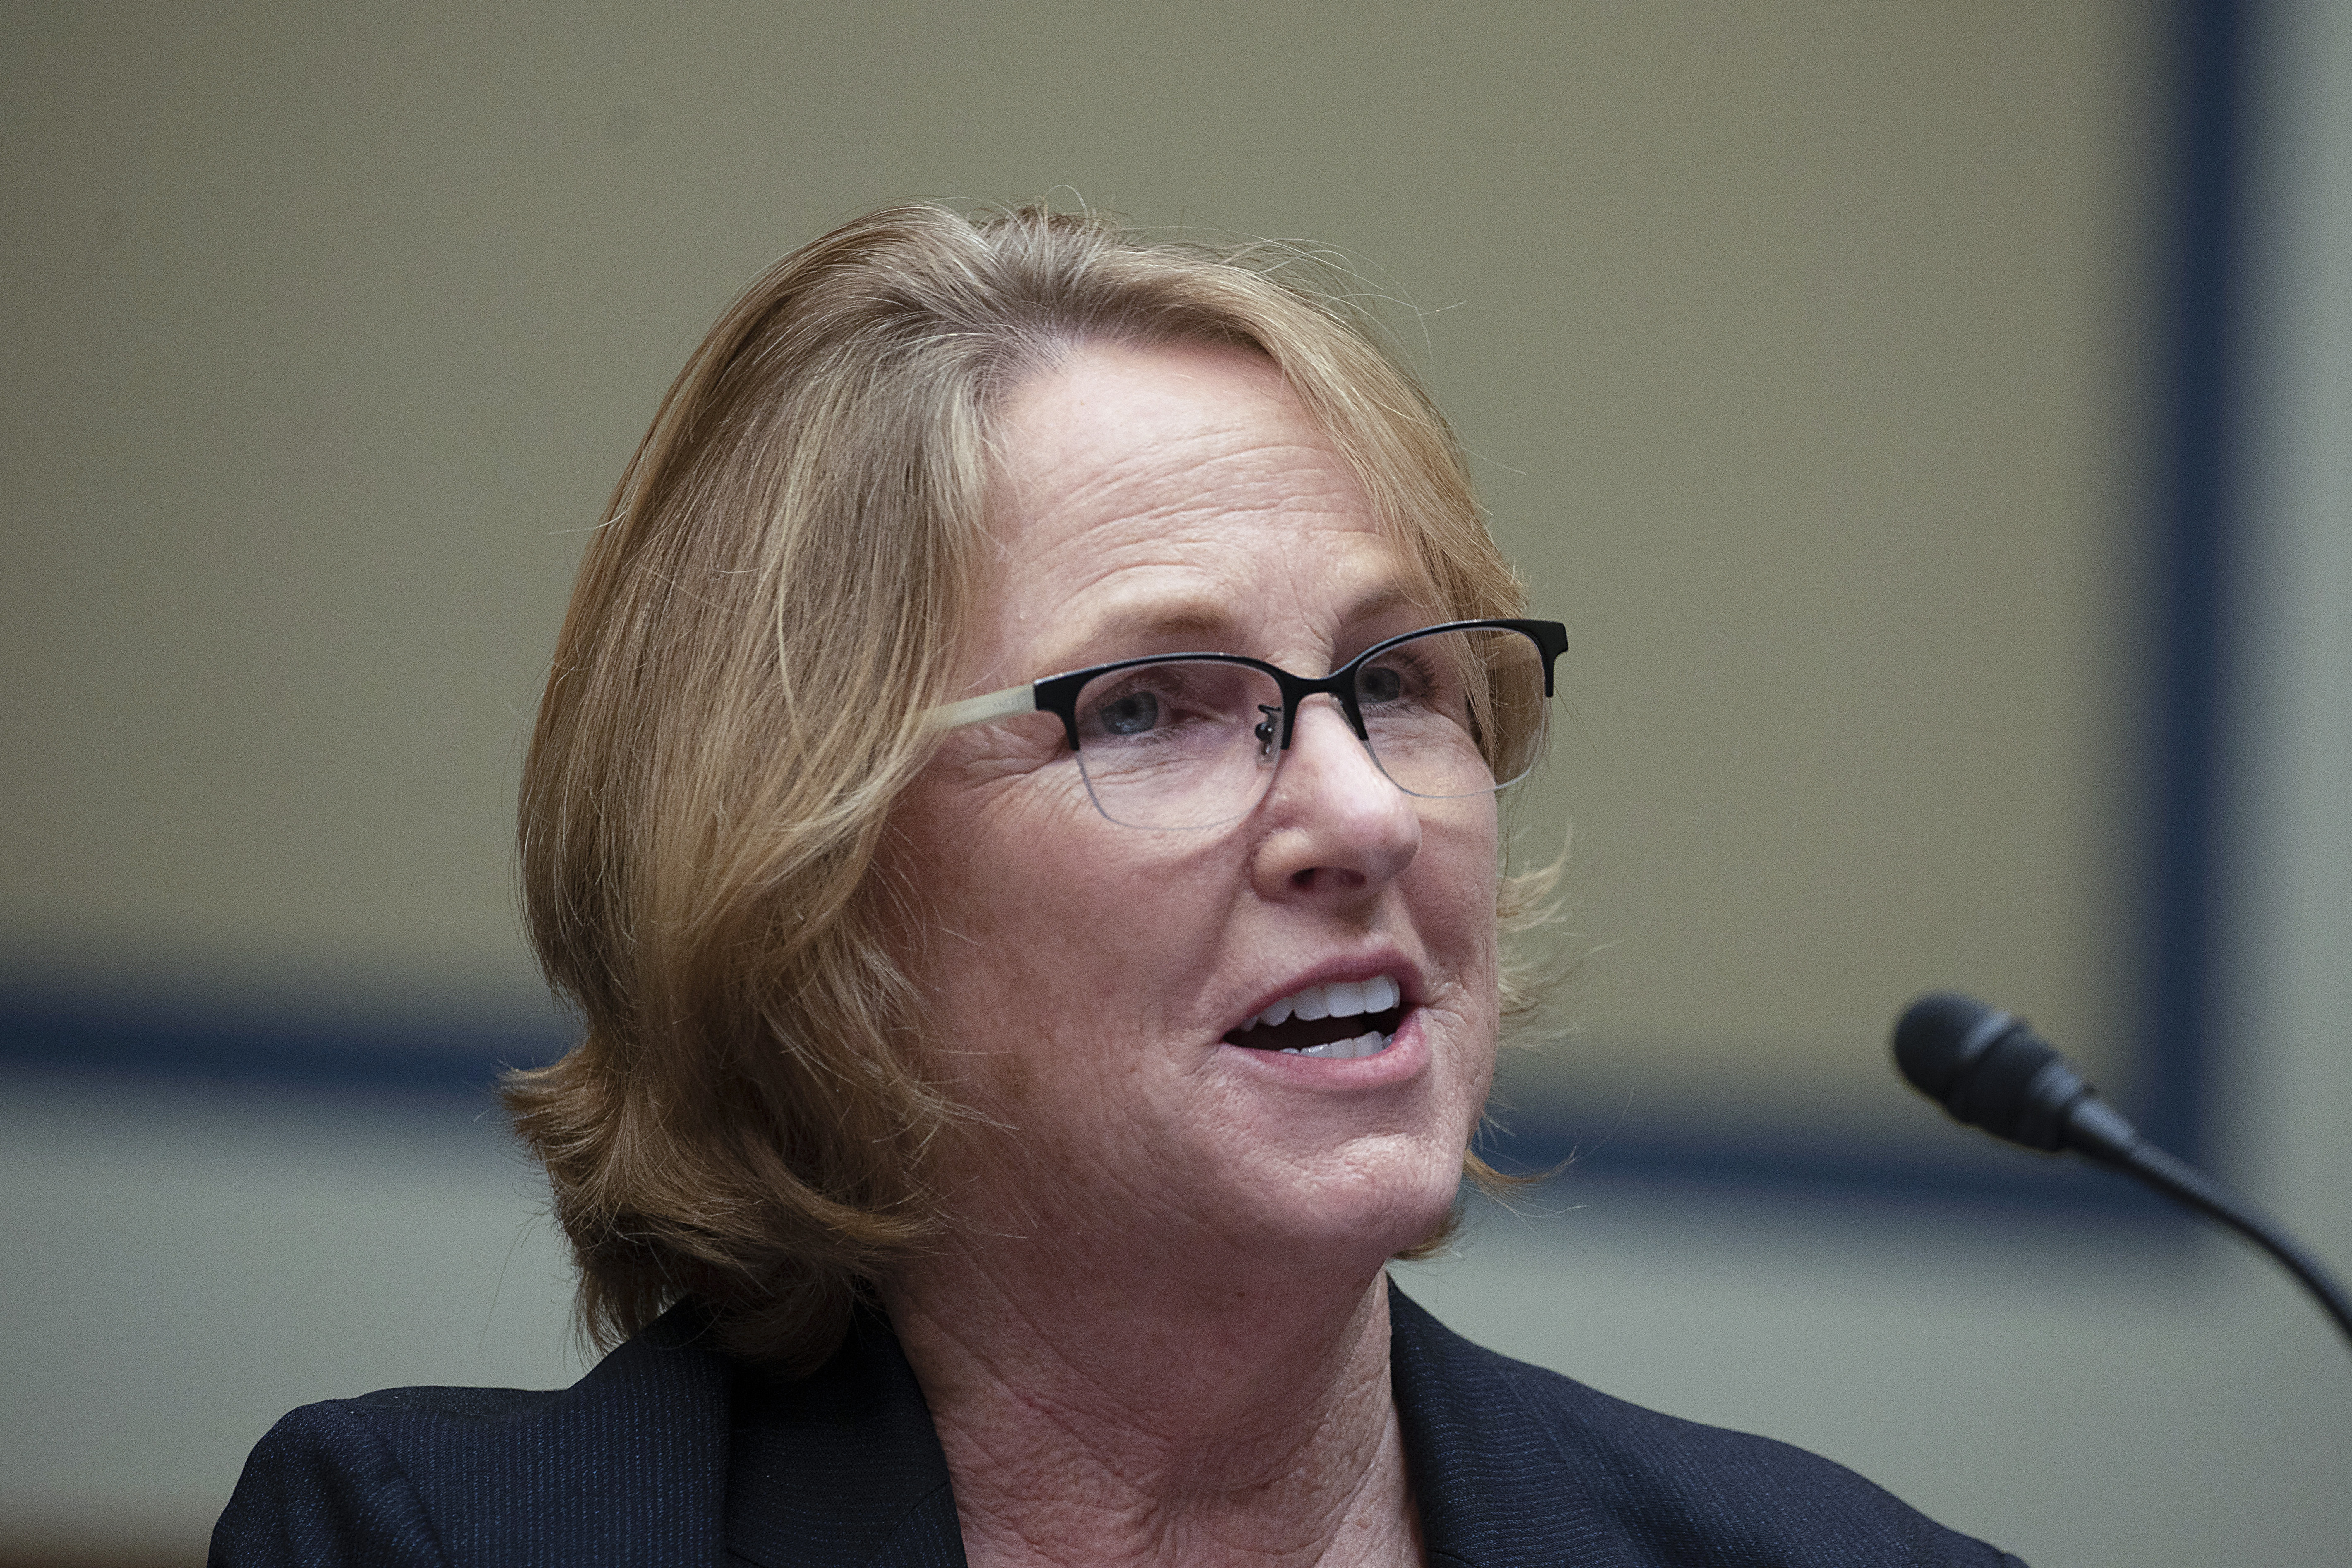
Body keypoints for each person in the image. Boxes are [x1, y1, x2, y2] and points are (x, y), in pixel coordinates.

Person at [213, 202, 2025, 1567]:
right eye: (1149, 705)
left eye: (1395, 681)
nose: (1358, 814)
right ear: (811, 879)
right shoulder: (435, 1542)